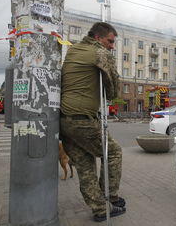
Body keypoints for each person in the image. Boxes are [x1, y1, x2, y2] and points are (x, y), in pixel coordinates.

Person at [60, 22, 125, 222]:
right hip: (83, 121)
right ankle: (110, 198)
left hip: (64, 121)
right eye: (110, 41)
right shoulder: (101, 53)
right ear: (98, 38)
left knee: (85, 165)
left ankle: (99, 208)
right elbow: (113, 93)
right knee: (113, 153)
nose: (112, 46)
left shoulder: (74, 49)